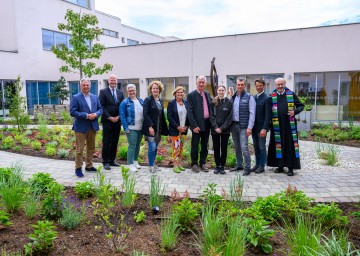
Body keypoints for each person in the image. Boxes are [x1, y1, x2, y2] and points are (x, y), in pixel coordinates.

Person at [268, 77, 304, 176]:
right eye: (278, 84)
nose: (280, 86)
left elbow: (301, 106)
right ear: (275, 85)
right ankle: (280, 166)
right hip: (276, 126)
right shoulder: (272, 96)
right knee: (278, 145)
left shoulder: (291, 94)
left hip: (289, 126)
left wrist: (294, 111)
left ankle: (290, 167)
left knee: (289, 146)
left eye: (282, 84)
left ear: (284, 84)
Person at [70, 78, 103, 177]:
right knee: (79, 149)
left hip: (92, 126)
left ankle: (89, 165)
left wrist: (96, 114)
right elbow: (72, 112)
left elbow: (100, 109)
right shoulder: (76, 97)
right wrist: (86, 115)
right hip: (80, 127)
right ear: (80, 86)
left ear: (90, 86)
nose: (86, 86)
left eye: (87, 85)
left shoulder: (95, 97)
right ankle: (78, 168)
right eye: (84, 85)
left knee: (91, 148)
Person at [230, 77, 256, 176]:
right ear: (236, 85)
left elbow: (252, 113)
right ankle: (239, 165)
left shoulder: (249, 97)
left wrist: (250, 127)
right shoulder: (233, 97)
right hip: (234, 126)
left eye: (242, 84)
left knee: (244, 147)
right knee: (237, 147)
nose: (240, 86)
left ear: (244, 85)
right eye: (238, 84)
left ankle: (247, 167)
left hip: (244, 126)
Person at [142, 81, 169, 173]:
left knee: (156, 147)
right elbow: (145, 114)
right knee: (152, 147)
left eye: (157, 88)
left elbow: (161, 115)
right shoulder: (148, 100)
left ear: (160, 90)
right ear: (151, 90)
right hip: (151, 128)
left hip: (158, 128)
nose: (155, 90)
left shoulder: (161, 100)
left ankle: (153, 163)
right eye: (153, 88)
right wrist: (150, 126)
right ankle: (150, 165)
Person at [187, 75, 212, 173]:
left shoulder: (207, 94)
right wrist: (194, 125)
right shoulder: (191, 95)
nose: (201, 84)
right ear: (196, 83)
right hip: (196, 125)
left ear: (205, 83)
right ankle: (194, 164)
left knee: (204, 145)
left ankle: (203, 163)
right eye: (199, 82)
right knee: (195, 145)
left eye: (203, 82)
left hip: (206, 124)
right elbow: (190, 111)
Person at [99, 74, 124, 170]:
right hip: (107, 121)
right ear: (108, 81)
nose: (113, 82)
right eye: (111, 80)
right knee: (106, 141)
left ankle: (112, 160)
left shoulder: (120, 92)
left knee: (115, 141)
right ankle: (105, 161)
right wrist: (109, 117)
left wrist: (118, 116)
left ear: (116, 81)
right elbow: (101, 106)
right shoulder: (103, 92)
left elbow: (121, 106)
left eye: (115, 80)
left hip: (117, 121)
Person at [120, 84, 144, 172]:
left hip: (140, 127)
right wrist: (126, 128)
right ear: (127, 92)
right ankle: (130, 164)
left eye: (133, 90)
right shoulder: (125, 102)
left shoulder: (141, 101)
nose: (132, 92)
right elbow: (122, 116)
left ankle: (135, 161)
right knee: (132, 146)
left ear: (136, 90)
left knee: (137, 145)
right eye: (130, 91)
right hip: (131, 128)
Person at [210, 85, 233, 175]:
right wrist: (216, 127)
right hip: (214, 130)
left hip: (225, 130)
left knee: (224, 149)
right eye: (219, 90)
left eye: (222, 90)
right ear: (217, 91)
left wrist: (222, 128)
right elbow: (211, 116)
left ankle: (222, 166)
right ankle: (217, 166)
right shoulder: (213, 102)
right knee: (216, 148)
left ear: (225, 91)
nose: (221, 92)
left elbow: (230, 118)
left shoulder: (229, 102)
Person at [250, 79, 272, 174]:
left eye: (260, 85)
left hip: (262, 128)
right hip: (254, 128)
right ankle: (257, 164)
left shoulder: (267, 98)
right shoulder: (254, 98)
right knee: (255, 146)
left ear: (264, 86)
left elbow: (268, 115)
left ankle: (262, 165)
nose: (258, 87)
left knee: (262, 147)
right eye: (257, 86)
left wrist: (264, 128)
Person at [167, 86, 189, 173]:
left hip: (184, 129)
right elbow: (169, 117)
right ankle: (175, 165)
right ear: (175, 94)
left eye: (182, 92)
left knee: (181, 147)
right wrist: (177, 127)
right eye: (178, 92)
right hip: (175, 130)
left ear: (184, 94)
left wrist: (187, 126)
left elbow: (189, 116)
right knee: (176, 147)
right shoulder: (171, 104)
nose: (180, 94)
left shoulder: (186, 103)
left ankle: (179, 164)